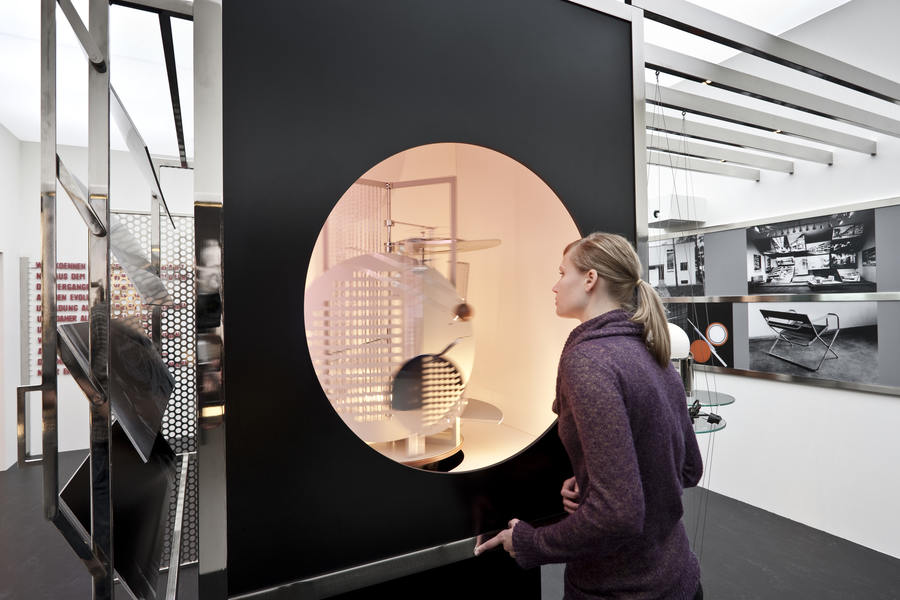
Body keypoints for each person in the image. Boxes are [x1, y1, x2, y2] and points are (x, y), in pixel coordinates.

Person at [474, 232, 704, 599]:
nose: (555, 285)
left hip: (621, 590)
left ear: (590, 279)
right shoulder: (650, 350)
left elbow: (619, 515)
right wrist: (600, 481)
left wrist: (531, 541)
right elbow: (690, 469)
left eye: (562, 273)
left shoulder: (589, 361)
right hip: (679, 579)